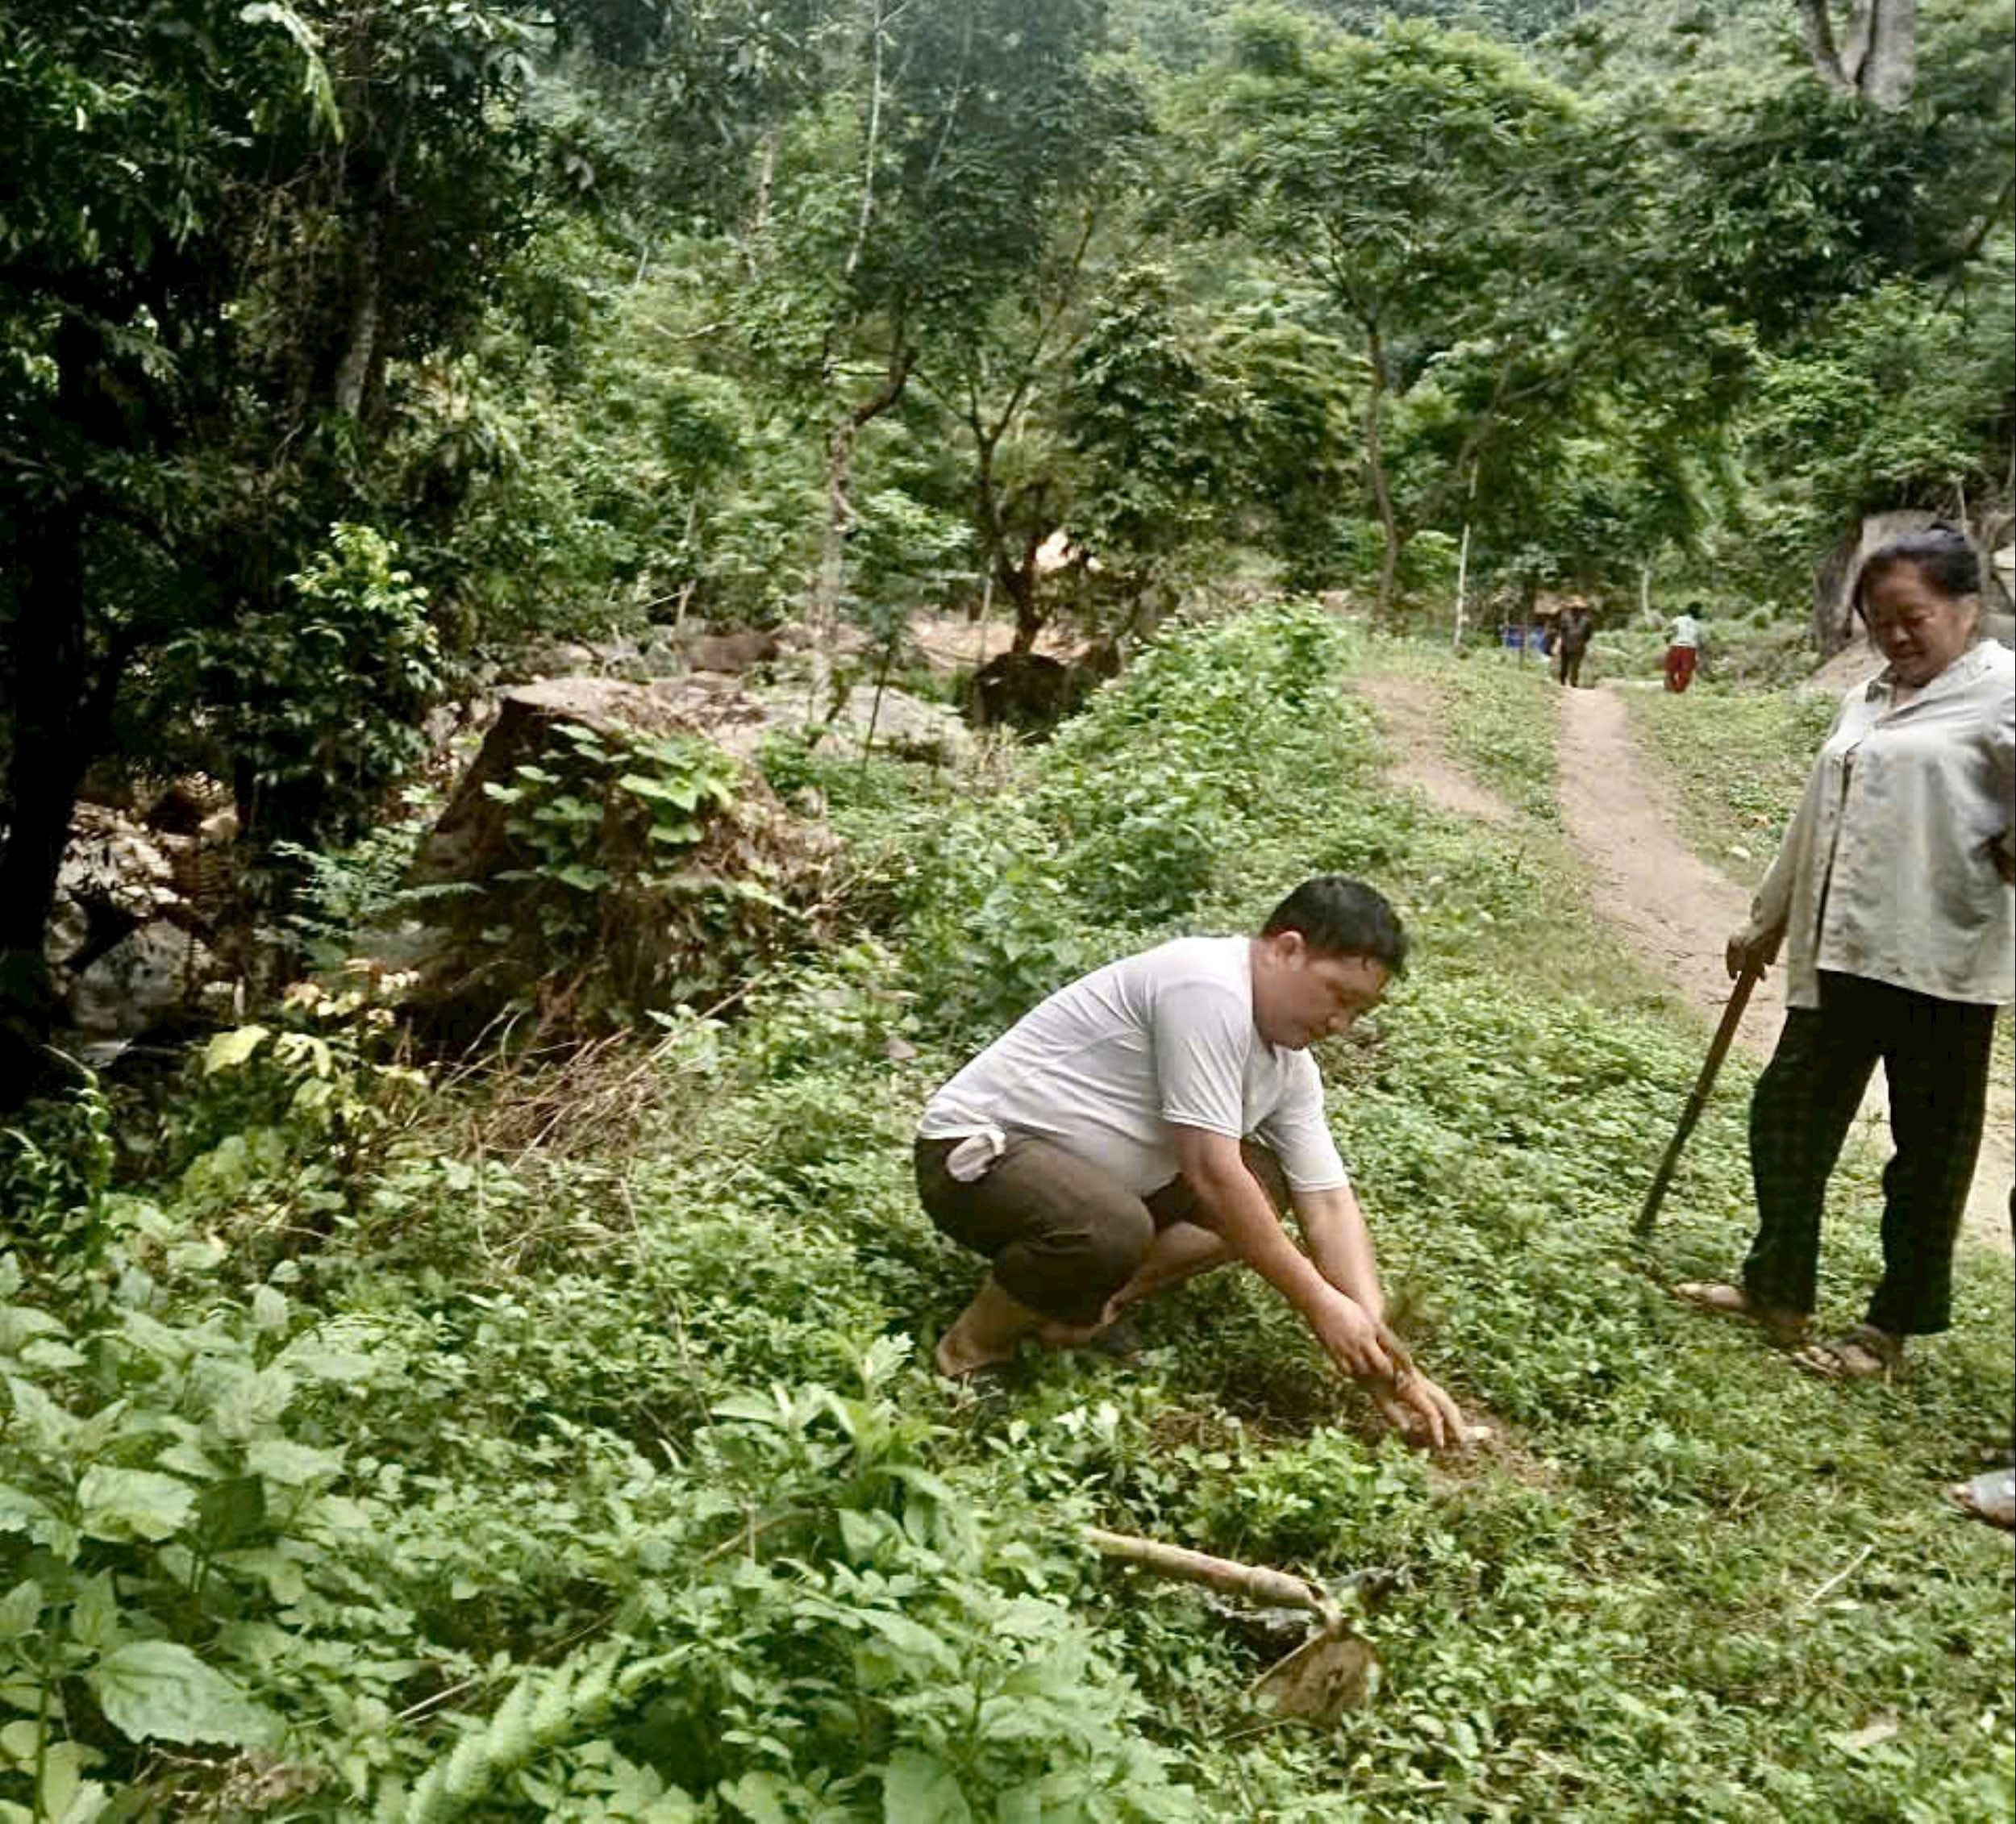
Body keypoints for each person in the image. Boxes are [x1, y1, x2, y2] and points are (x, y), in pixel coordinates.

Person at [914, 877, 1466, 1447]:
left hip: (1089, 1177)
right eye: (1338, 995)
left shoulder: (1289, 1068)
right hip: (975, 1155)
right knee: (1118, 1223)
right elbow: (1211, 1174)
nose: (1340, 1024)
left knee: (1267, 1181)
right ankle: (972, 1351)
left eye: (1358, 1009)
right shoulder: (1204, 985)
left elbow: (1326, 1204)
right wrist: (1320, 1306)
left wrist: (1383, 1352)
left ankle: (1087, 1309)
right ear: (1286, 949)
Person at [1676, 529, 2014, 1380]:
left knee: (1926, 1157)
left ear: (1966, 608)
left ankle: (1886, 1331)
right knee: (1786, 1117)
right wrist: (1767, 918)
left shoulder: (2002, 695)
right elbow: (1812, 812)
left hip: (1941, 959)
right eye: (1877, 620)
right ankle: (1776, 1287)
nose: (1896, 635)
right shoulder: (1868, 697)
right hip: (1840, 952)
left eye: (1913, 617)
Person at [1664, 603, 1704, 693]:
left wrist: (1668, 643)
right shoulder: (1697, 624)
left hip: (1676, 646)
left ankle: (1673, 689)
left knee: (1671, 670)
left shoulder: (1678, 619)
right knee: (1686, 673)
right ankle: (1678, 690)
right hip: (1690, 648)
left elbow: (1669, 633)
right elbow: (1700, 640)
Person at [1556, 598, 1595, 688]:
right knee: (1564, 665)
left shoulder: (1587, 621)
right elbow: (1562, 631)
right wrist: (1560, 642)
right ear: (1571, 609)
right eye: (1574, 609)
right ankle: (1562, 682)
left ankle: (1573, 683)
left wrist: (1583, 642)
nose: (1577, 611)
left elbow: (1589, 635)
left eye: (1579, 609)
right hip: (1566, 645)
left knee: (1576, 666)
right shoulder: (1565, 618)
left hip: (1579, 646)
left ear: (1582, 610)